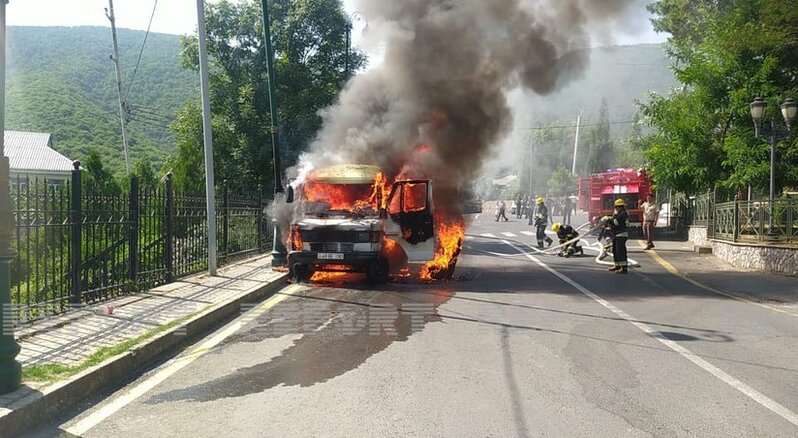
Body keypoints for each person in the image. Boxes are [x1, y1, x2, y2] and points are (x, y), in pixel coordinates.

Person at [608, 198, 629, 274]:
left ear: (618, 207)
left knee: (620, 251)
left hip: (621, 234)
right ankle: (617, 265)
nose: (616, 208)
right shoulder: (620, 214)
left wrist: (609, 220)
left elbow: (616, 223)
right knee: (615, 251)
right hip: (617, 234)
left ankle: (623, 268)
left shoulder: (622, 214)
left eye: (617, 207)